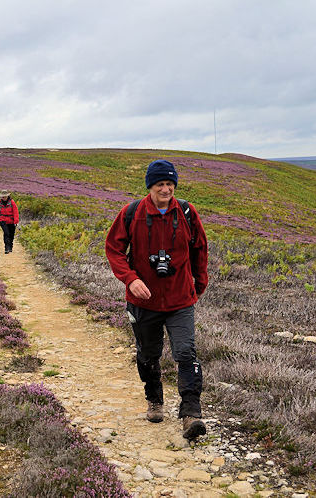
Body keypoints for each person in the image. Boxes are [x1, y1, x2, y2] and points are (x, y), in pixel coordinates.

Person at [105, 159, 209, 440]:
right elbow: (114, 249)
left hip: (180, 300)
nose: (166, 189)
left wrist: (199, 285)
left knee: (186, 352)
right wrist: (131, 279)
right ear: (150, 186)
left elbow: (200, 249)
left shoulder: (187, 212)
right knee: (148, 354)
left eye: (170, 184)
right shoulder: (131, 213)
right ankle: (154, 399)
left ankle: (191, 413)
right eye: (160, 184)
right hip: (143, 301)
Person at [0, 190, 19, 254]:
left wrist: (16, 221)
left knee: (11, 234)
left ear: (7, 196)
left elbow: (15, 212)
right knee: (6, 233)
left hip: (11, 220)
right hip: (3, 220)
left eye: (4, 197)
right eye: (2, 197)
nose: (3, 198)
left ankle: (10, 247)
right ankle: (6, 248)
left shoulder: (12, 202)